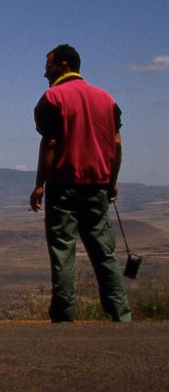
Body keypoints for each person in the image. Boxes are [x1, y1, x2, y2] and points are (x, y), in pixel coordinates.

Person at [30, 44, 131, 323]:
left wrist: (40, 184)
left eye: (48, 66)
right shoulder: (106, 99)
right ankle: (121, 314)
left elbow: (50, 141)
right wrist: (112, 180)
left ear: (63, 66)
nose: (44, 72)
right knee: (104, 252)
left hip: (63, 186)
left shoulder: (52, 98)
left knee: (63, 250)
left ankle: (64, 317)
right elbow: (117, 142)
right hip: (97, 185)